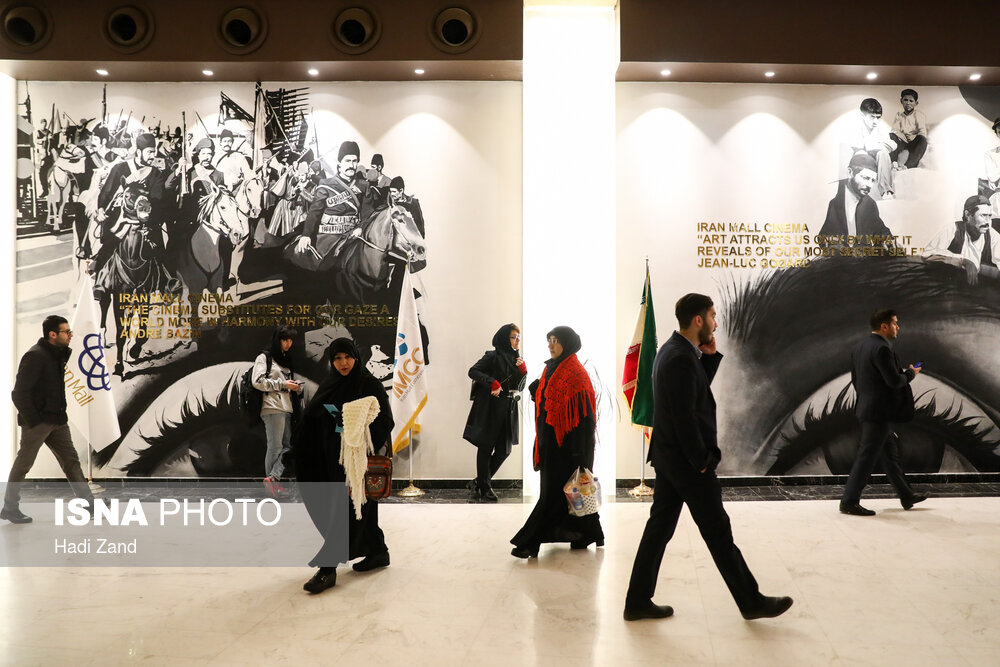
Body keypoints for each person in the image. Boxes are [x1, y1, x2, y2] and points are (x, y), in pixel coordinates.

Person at [624, 294, 792, 621]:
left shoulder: (677, 352)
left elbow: (690, 393)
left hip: (671, 459)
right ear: (698, 320)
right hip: (686, 463)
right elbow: (685, 416)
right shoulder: (679, 357)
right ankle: (751, 601)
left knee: (659, 529)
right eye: (713, 316)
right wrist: (701, 460)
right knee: (718, 531)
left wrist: (709, 360)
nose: (716, 323)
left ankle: (637, 601)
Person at [289, 337, 393, 594]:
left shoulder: (368, 384)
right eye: (337, 358)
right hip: (329, 461)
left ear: (356, 357)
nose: (343, 363)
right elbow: (313, 421)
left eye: (347, 357)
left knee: (345, 513)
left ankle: (327, 569)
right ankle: (378, 551)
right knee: (360, 512)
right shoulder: (330, 385)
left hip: (356, 463)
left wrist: (359, 439)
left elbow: (385, 420)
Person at [510, 326, 604, 557]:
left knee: (554, 496)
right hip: (550, 445)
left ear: (568, 344)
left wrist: (580, 456)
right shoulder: (551, 369)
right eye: (549, 340)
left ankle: (528, 543)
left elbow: (585, 419)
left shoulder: (576, 375)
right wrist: (536, 389)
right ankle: (587, 534)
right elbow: (545, 396)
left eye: (555, 340)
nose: (550, 344)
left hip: (569, 450)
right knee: (569, 496)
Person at [2, 316, 95, 524]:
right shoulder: (35, 356)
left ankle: (88, 503)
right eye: (66, 332)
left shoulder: (57, 355)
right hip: (39, 422)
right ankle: (9, 508)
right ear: (52, 334)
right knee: (23, 465)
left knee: (71, 462)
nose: (70, 335)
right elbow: (19, 394)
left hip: (58, 420)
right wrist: (35, 421)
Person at [839, 309, 927, 516]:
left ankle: (906, 495)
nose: (898, 327)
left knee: (889, 455)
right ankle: (849, 501)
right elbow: (894, 381)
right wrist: (910, 373)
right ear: (884, 326)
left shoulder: (860, 347)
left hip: (868, 408)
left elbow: (856, 380)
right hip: (877, 413)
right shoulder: (882, 349)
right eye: (895, 323)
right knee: (866, 456)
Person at [463, 324, 527, 501]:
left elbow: (520, 387)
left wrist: (523, 371)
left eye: (519, 337)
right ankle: (485, 487)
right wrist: (492, 382)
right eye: (514, 337)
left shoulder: (517, 359)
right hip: (490, 407)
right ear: (504, 338)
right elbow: (473, 371)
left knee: (504, 450)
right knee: (485, 446)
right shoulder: (492, 356)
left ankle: (479, 481)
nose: (517, 341)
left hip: (508, 408)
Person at [252, 326, 303, 495]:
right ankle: (272, 482)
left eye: (290, 340)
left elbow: (285, 383)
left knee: (289, 446)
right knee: (275, 446)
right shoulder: (264, 357)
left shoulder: (285, 359)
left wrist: (294, 387)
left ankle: (273, 479)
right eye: (284, 339)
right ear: (277, 340)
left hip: (287, 407)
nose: (288, 343)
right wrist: (283, 384)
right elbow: (257, 381)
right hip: (272, 407)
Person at [818, 152, 893, 247]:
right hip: (840, 260)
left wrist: (887, 240)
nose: (869, 185)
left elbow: (880, 230)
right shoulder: (831, 198)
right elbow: (823, 237)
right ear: (850, 172)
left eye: (872, 180)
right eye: (865, 178)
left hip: (863, 260)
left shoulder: (869, 203)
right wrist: (832, 244)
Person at [924, 195, 1000, 285]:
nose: (987, 222)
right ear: (967, 214)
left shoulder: (992, 234)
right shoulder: (953, 229)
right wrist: (962, 261)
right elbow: (927, 254)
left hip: (973, 289)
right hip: (946, 285)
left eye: (989, 216)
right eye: (983, 215)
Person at [847, 98, 897, 198]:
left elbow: (893, 145)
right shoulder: (855, 126)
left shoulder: (881, 126)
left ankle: (886, 192)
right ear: (862, 115)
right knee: (879, 152)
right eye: (872, 117)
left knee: (883, 153)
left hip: (876, 155)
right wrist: (877, 144)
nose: (875, 121)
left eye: (878, 117)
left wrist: (875, 145)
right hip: (861, 156)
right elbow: (860, 147)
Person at [889, 89, 929, 170]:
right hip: (903, 143)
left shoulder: (919, 115)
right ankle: (892, 162)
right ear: (901, 101)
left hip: (914, 143)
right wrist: (901, 138)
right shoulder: (899, 116)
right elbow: (895, 130)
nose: (908, 103)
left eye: (911, 101)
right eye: (905, 100)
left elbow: (922, 133)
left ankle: (908, 165)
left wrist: (910, 141)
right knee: (892, 135)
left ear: (916, 103)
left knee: (922, 139)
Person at [983, 117, 1000, 217]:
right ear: (997, 134)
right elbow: (992, 176)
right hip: (998, 200)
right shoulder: (990, 154)